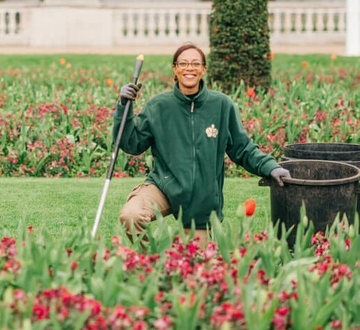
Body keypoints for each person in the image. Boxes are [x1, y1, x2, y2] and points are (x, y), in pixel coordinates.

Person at [114, 43, 290, 240]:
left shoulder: (222, 105)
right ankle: (155, 261)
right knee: (131, 216)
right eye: (184, 63)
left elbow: (243, 149)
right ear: (175, 68)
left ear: (203, 69)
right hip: (164, 186)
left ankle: (175, 260)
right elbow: (131, 143)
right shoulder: (158, 106)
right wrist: (123, 106)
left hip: (200, 201)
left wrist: (270, 167)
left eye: (195, 63)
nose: (189, 68)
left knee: (196, 262)